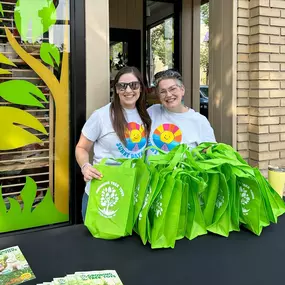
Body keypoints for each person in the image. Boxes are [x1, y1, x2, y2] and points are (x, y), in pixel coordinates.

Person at [75, 66, 151, 219]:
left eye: (134, 85)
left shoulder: (146, 115)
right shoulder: (101, 116)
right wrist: (85, 166)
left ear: (141, 88)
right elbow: (81, 147)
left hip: (133, 191)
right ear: (116, 90)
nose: (128, 90)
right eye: (122, 86)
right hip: (104, 190)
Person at [147, 69, 216, 155]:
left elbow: (210, 156)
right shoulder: (152, 112)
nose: (168, 95)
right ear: (158, 95)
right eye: (163, 91)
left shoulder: (199, 121)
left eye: (172, 89)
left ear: (182, 90)